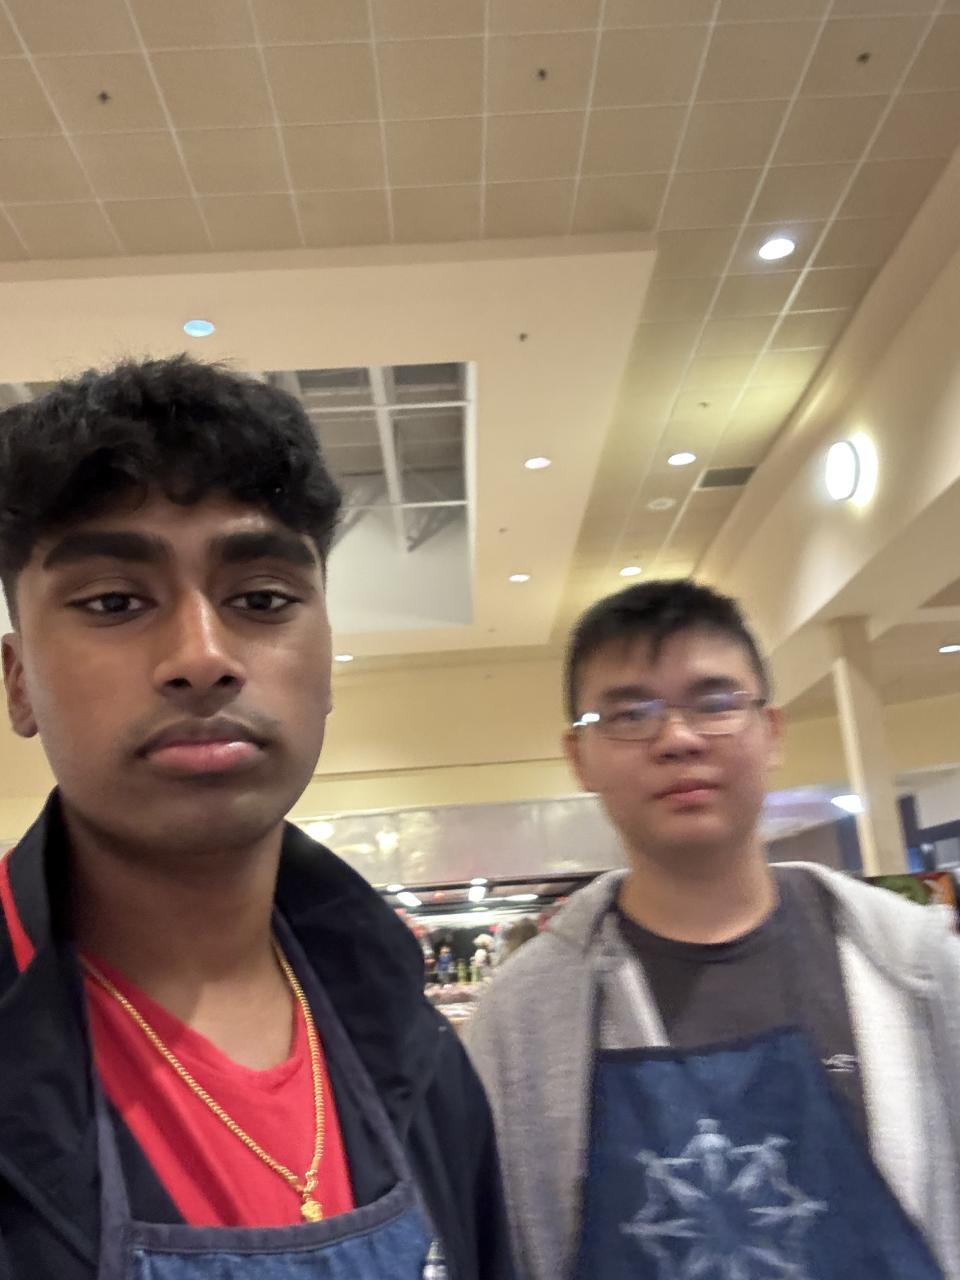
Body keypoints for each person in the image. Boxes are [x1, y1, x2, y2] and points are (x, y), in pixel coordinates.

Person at [0, 356, 515, 1280]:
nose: (202, 657)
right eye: (114, 602)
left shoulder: (414, 1042)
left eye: (262, 600)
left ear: (327, 657)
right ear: (19, 682)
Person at [468, 579, 960, 1280]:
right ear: (580, 757)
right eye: (630, 713)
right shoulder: (522, 1020)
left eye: (715, 703)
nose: (677, 738)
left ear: (772, 732)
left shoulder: (915, 965)